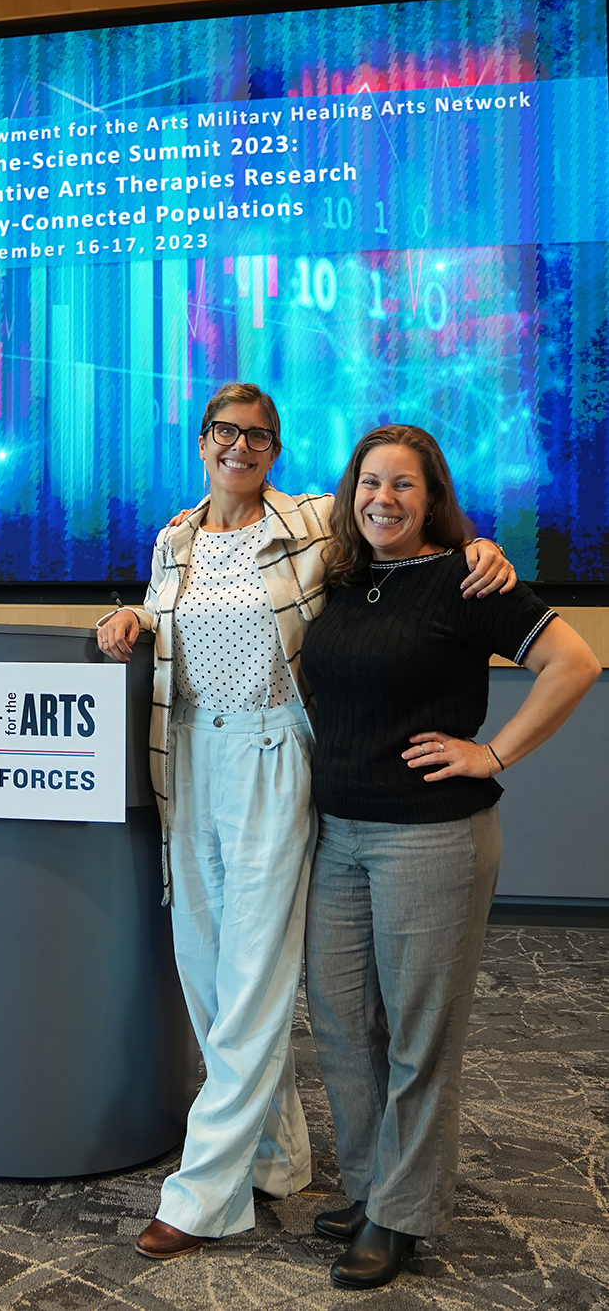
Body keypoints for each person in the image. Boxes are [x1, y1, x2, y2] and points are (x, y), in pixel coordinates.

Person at [96, 384, 514, 1258]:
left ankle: (202, 1191)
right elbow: (161, 609)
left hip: (273, 756)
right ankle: (279, 1155)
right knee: (206, 974)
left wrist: (479, 548)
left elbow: (403, 524)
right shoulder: (174, 537)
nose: (239, 447)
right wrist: (129, 615)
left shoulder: (317, 520)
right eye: (224, 431)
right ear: (201, 439)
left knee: (251, 981)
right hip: (186, 756)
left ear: (275, 451)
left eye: (258, 436)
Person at [301, 424, 600, 1291]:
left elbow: (571, 663)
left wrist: (492, 753)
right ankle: (367, 1186)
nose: (381, 499)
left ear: (431, 496)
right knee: (344, 1022)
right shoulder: (343, 577)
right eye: (367, 483)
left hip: (428, 838)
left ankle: (400, 1214)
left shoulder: (468, 576)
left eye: (402, 485)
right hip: (337, 834)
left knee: (419, 1035)